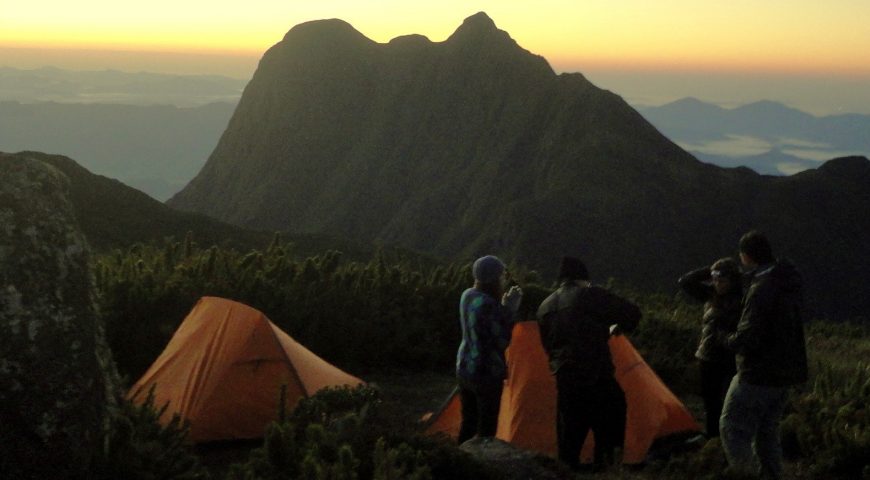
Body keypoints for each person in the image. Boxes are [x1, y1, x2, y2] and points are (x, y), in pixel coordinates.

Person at [536, 256, 641, 471]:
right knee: (609, 428)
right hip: (596, 376)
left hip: (564, 379)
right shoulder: (590, 294)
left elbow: (548, 346)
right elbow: (632, 313)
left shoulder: (544, 307)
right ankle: (606, 470)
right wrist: (616, 326)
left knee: (569, 440)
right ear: (582, 279)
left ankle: (568, 471)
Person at [719, 231, 808, 479]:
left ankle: (745, 475)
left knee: (731, 428)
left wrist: (724, 338)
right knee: (767, 432)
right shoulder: (787, 281)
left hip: (757, 373)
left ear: (746, 256)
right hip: (785, 372)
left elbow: (748, 336)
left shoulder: (761, 288)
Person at [456, 255, 523, 444]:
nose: (504, 280)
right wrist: (509, 310)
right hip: (485, 372)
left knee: (468, 422)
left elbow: (481, 326)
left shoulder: (467, 295)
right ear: (494, 279)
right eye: (502, 276)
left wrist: (501, 307)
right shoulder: (488, 304)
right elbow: (501, 340)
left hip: (464, 367)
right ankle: (482, 465)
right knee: (486, 427)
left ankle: (459, 458)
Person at [678, 258, 742, 438]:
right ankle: (712, 435)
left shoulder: (742, 301)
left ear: (732, 280)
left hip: (728, 359)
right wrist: (711, 269)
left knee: (727, 402)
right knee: (710, 401)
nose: (717, 284)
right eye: (715, 280)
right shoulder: (711, 295)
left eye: (722, 280)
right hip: (707, 356)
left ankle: (728, 437)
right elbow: (685, 282)